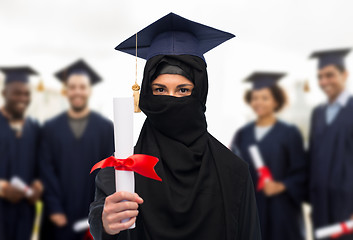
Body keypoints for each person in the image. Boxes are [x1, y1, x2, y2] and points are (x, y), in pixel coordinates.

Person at [89, 12, 261, 240]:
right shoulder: (122, 171)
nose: (171, 100)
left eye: (183, 90)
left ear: (200, 93)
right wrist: (105, 223)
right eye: (160, 90)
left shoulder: (233, 173)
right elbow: (102, 218)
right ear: (147, 96)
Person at [40, 59, 114, 240]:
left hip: (92, 213)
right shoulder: (50, 128)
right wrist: (54, 209)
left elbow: (109, 171)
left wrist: (100, 210)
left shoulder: (105, 128)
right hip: (57, 215)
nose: (77, 92)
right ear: (66, 90)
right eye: (72, 87)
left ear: (89, 90)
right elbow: (45, 171)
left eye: (82, 87)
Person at [231, 72, 307, 240]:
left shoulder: (289, 133)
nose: (259, 102)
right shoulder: (243, 134)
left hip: (282, 211)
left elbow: (302, 173)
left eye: (265, 98)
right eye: (255, 98)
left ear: (276, 101)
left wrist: (282, 186)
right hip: (252, 208)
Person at [0, 67, 43, 240]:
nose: (23, 99)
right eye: (17, 93)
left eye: (26, 94)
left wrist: (38, 186)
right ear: (4, 93)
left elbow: (42, 165)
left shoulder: (34, 128)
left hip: (25, 211)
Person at [308, 48, 353, 239]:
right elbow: (312, 159)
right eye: (320, 77)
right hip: (321, 208)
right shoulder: (318, 114)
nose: (324, 82)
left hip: (347, 207)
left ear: (345, 74)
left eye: (329, 75)